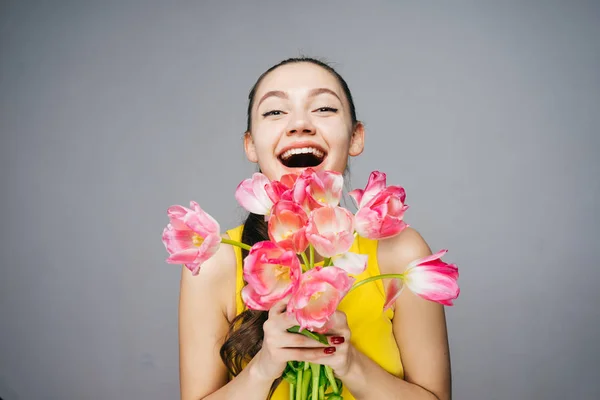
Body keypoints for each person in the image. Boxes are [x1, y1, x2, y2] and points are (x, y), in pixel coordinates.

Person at [178, 57, 452, 400]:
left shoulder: (401, 252)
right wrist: (264, 368)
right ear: (250, 145)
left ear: (355, 137)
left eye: (323, 108)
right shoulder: (215, 264)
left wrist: (350, 364)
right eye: (275, 112)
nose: (299, 124)